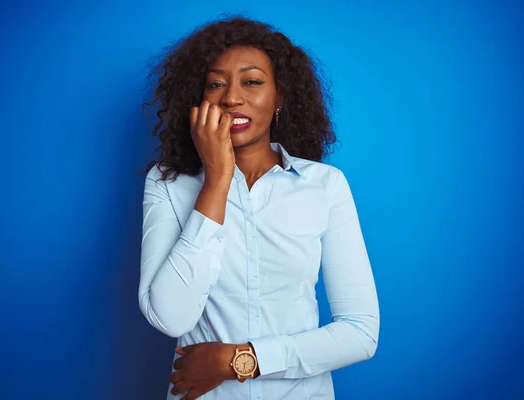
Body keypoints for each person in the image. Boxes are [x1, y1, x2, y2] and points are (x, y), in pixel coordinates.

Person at [138, 16, 380, 400]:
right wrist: (217, 181)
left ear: (279, 96)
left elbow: (361, 332)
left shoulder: (325, 186)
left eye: (251, 81)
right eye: (216, 84)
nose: (232, 97)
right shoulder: (168, 183)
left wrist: (239, 361)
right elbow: (170, 317)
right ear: (198, 100)